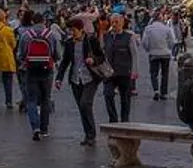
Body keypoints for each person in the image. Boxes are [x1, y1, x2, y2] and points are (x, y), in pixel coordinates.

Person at [54, 16, 107, 145]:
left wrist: (93, 60)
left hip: (90, 78)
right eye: (70, 31)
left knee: (85, 104)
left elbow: (101, 57)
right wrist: (59, 79)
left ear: (81, 29)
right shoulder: (69, 43)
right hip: (75, 79)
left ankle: (92, 134)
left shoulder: (91, 41)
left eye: (74, 30)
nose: (72, 33)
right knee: (81, 108)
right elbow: (65, 62)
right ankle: (87, 135)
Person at [16, 13, 58, 140]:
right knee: (46, 99)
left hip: (30, 70)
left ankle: (35, 127)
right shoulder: (50, 35)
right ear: (44, 21)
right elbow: (57, 54)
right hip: (47, 70)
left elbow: (20, 55)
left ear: (33, 22)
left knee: (32, 100)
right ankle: (44, 129)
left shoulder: (26, 35)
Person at [99, 13, 139, 123]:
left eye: (117, 22)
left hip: (124, 72)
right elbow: (101, 52)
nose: (114, 24)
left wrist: (134, 72)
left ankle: (125, 120)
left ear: (122, 23)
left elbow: (134, 54)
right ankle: (113, 119)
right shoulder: (106, 37)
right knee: (108, 95)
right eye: (113, 22)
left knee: (125, 98)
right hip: (109, 73)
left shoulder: (129, 37)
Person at [140, 12, 177, 101]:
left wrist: (148, 49)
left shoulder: (148, 29)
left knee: (154, 73)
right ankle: (164, 93)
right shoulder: (166, 28)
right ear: (161, 19)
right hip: (165, 53)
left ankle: (156, 90)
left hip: (153, 53)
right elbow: (172, 41)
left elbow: (145, 42)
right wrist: (168, 48)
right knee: (165, 74)